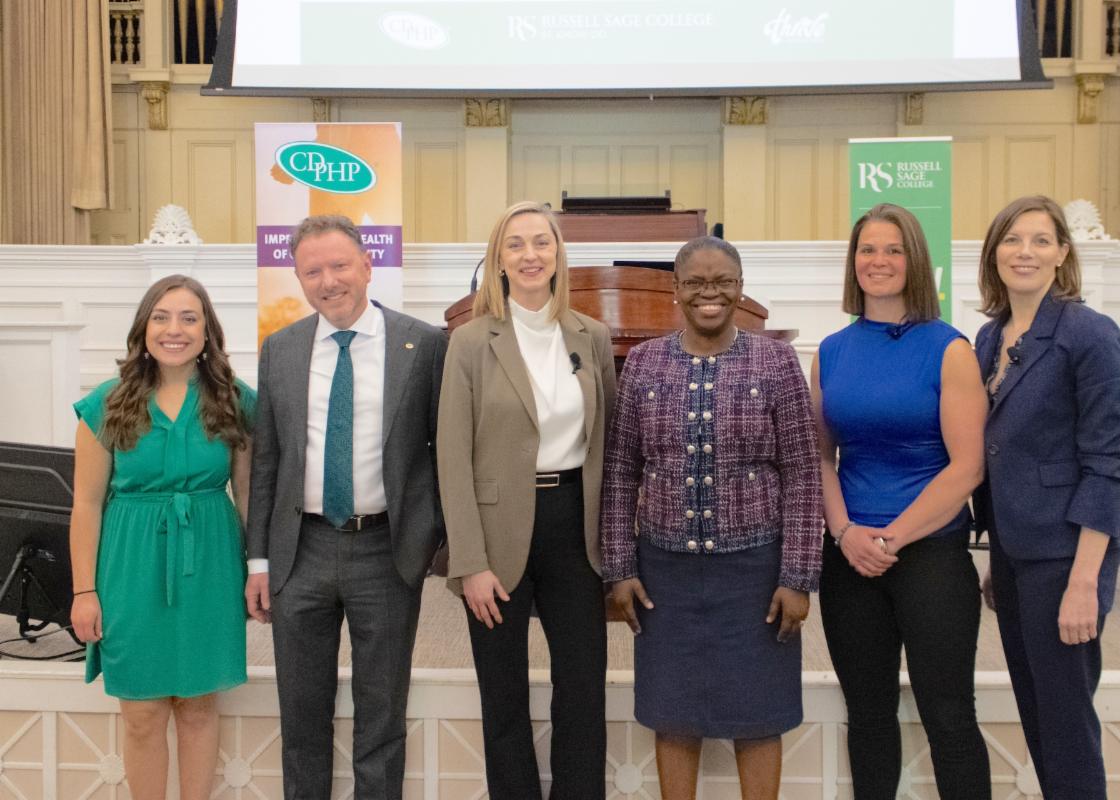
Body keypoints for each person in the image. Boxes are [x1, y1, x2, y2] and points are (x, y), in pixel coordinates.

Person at [602, 236, 822, 800]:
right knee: (672, 713)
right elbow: (621, 470)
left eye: (722, 281)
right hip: (663, 575)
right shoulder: (646, 362)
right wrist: (619, 568)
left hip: (756, 573)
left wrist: (797, 578)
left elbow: (802, 472)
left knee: (759, 713)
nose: (709, 293)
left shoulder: (775, 362)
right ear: (675, 291)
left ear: (740, 288)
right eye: (696, 282)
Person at [245, 214, 446, 799]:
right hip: (298, 552)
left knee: (382, 717)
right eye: (312, 271)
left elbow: (442, 451)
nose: (328, 281)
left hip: (385, 551)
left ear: (367, 264)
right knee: (301, 714)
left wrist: (432, 536)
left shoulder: (424, 345)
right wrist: (258, 561)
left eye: (338, 265)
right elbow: (266, 462)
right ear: (298, 278)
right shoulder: (279, 349)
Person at [437, 200, 616, 800]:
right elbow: (452, 460)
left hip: (575, 529)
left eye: (542, 242)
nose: (531, 254)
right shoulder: (468, 342)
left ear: (559, 254)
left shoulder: (591, 337)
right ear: (499, 260)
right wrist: (469, 562)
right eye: (516, 244)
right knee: (504, 693)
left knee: (583, 690)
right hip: (495, 534)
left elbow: (608, 447)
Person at [812, 203, 991, 799]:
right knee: (867, 718)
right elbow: (821, 458)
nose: (879, 261)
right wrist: (844, 534)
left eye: (894, 249)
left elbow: (967, 467)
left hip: (929, 555)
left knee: (949, 717)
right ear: (853, 261)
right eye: (868, 249)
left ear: (915, 260)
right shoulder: (831, 351)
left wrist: (890, 537)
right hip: (850, 557)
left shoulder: (949, 348)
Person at [69, 274, 255, 800]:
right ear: (143, 329)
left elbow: (247, 496)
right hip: (129, 567)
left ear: (207, 331)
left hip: (210, 563)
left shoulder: (235, 399)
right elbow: (84, 505)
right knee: (143, 714)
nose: (175, 330)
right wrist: (84, 591)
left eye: (189, 318)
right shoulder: (105, 404)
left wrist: (256, 571)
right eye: (162, 317)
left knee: (198, 705)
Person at [975, 195, 1120, 799]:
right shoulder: (991, 336)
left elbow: (1105, 464)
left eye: (1041, 240)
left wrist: (1085, 581)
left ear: (1063, 253)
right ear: (995, 254)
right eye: (1012, 240)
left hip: (1069, 557)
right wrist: (997, 555)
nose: (1026, 252)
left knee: (1066, 723)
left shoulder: (1088, 332)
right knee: (1038, 714)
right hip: (1016, 556)